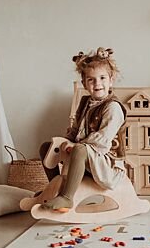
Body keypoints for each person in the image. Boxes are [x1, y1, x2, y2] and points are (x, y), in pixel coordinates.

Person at [39, 47, 127, 211]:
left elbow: (102, 140)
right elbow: (76, 130)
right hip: (86, 154)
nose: (97, 83)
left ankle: (67, 198)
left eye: (102, 78)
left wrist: (76, 145)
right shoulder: (85, 102)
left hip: (105, 161)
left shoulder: (113, 107)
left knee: (79, 149)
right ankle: (55, 188)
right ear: (84, 83)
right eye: (91, 80)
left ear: (111, 80)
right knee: (48, 147)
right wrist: (66, 141)